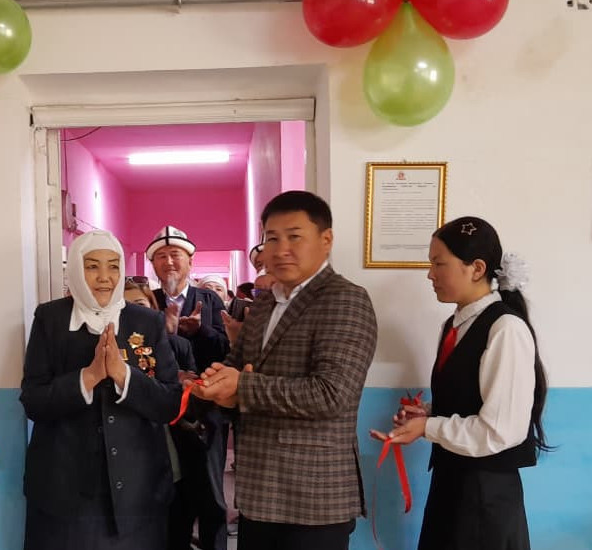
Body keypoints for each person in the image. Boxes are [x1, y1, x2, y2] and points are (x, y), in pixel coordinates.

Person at [195, 191, 378, 550]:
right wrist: (211, 385)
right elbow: (236, 366)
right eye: (272, 239)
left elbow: (331, 394)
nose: (280, 250)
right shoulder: (265, 303)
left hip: (314, 497)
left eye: (294, 237)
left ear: (326, 240)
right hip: (260, 491)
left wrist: (242, 387)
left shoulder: (345, 298)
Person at [371, 216, 551, 550]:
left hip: (485, 499)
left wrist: (429, 427)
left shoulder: (505, 330)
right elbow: (470, 401)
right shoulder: (453, 326)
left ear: (477, 268)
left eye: (439, 263)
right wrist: (426, 413)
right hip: (451, 486)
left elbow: (500, 430)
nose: (430, 274)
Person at [20, 231, 182, 550]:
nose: (105, 277)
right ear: (74, 270)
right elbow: (34, 401)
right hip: (65, 490)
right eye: (92, 266)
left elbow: (169, 403)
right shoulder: (51, 319)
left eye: (113, 266)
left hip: (138, 489)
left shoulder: (146, 321)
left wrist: (124, 376)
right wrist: (89, 376)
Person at [147, 225, 230, 550]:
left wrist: (201, 332)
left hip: (206, 414)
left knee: (211, 494)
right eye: (161, 256)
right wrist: (165, 333)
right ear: (153, 265)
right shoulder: (146, 302)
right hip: (161, 416)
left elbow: (227, 349)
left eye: (175, 255)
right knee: (171, 494)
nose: (169, 262)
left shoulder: (208, 299)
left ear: (190, 262)